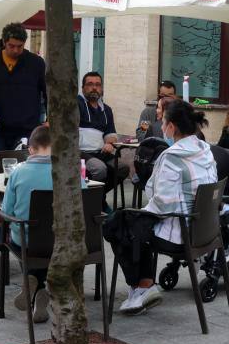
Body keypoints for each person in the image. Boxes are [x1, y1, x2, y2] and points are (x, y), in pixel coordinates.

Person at [116, 100, 218, 314]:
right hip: (205, 232)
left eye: (162, 122)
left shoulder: (171, 156)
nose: (161, 128)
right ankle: (144, 285)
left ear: (171, 126)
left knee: (117, 225)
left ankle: (142, 287)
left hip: (179, 234)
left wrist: (140, 213)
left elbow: (162, 205)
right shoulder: (206, 151)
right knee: (132, 223)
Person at [1, 125, 86, 323]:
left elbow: (6, 211)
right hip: (64, 242)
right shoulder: (71, 172)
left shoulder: (18, 173)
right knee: (47, 238)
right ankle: (39, 287)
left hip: (28, 242)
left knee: (24, 234)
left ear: (30, 149)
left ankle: (33, 282)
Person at [0, 23, 47, 151]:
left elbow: (48, 92)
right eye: (11, 46)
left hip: (28, 131)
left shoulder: (36, 63)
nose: (16, 50)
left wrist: (50, 119)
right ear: (3, 42)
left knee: (25, 169)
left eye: (20, 46)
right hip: (0, 130)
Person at [78, 71, 128, 206]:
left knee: (122, 168)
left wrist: (110, 144)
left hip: (100, 152)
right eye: (90, 84)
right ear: (83, 88)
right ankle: (96, 203)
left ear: (102, 88)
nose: (94, 88)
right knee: (99, 169)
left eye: (98, 85)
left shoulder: (106, 110)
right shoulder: (76, 105)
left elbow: (111, 134)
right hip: (80, 153)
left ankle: (96, 197)